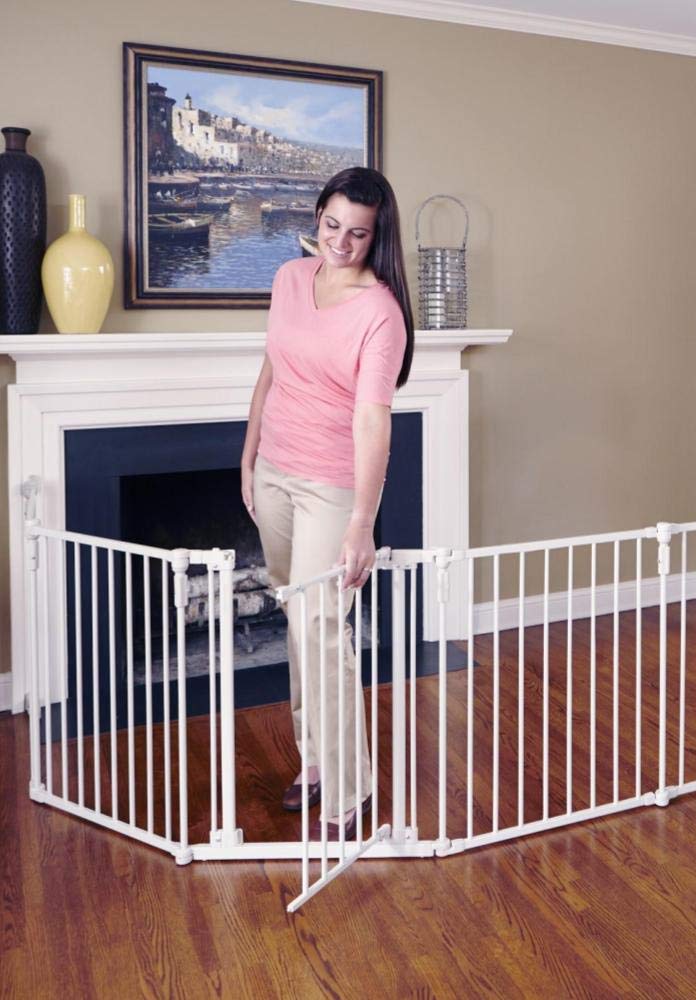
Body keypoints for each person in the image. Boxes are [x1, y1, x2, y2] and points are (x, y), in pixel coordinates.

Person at [240, 167, 414, 839]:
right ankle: (312, 759)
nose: (340, 242)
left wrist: (362, 523)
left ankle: (349, 789)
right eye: (331, 225)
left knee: (322, 628)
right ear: (317, 217)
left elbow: (373, 419)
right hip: (274, 472)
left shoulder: (381, 313)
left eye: (358, 234)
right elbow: (271, 371)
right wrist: (249, 456)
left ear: (377, 238)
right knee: (296, 618)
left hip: (330, 488)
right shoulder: (289, 278)